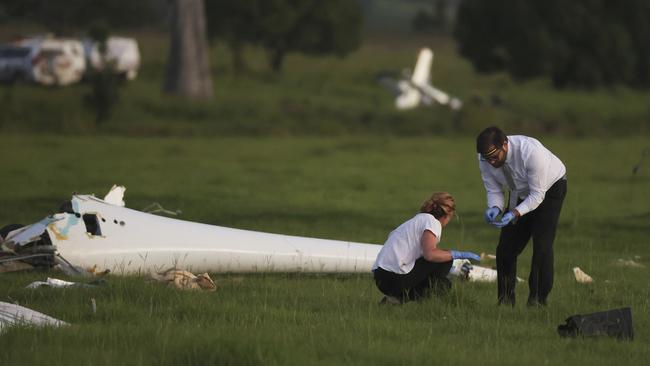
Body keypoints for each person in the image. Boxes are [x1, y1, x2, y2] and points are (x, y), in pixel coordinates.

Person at [476, 126, 567, 307]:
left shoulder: (532, 153)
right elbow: (494, 189)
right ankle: (505, 301)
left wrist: (515, 213)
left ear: (505, 145)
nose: (491, 162)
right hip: (519, 191)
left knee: (542, 245)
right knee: (505, 248)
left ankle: (538, 300)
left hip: (549, 189)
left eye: (495, 157)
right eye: (487, 159)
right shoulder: (484, 158)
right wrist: (495, 207)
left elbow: (537, 195)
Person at [372, 192, 480, 304]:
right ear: (448, 215)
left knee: (442, 262)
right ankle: (407, 298)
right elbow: (430, 254)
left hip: (380, 276)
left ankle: (396, 299)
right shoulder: (432, 222)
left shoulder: (416, 220)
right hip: (394, 278)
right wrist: (456, 254)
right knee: (443, 279)